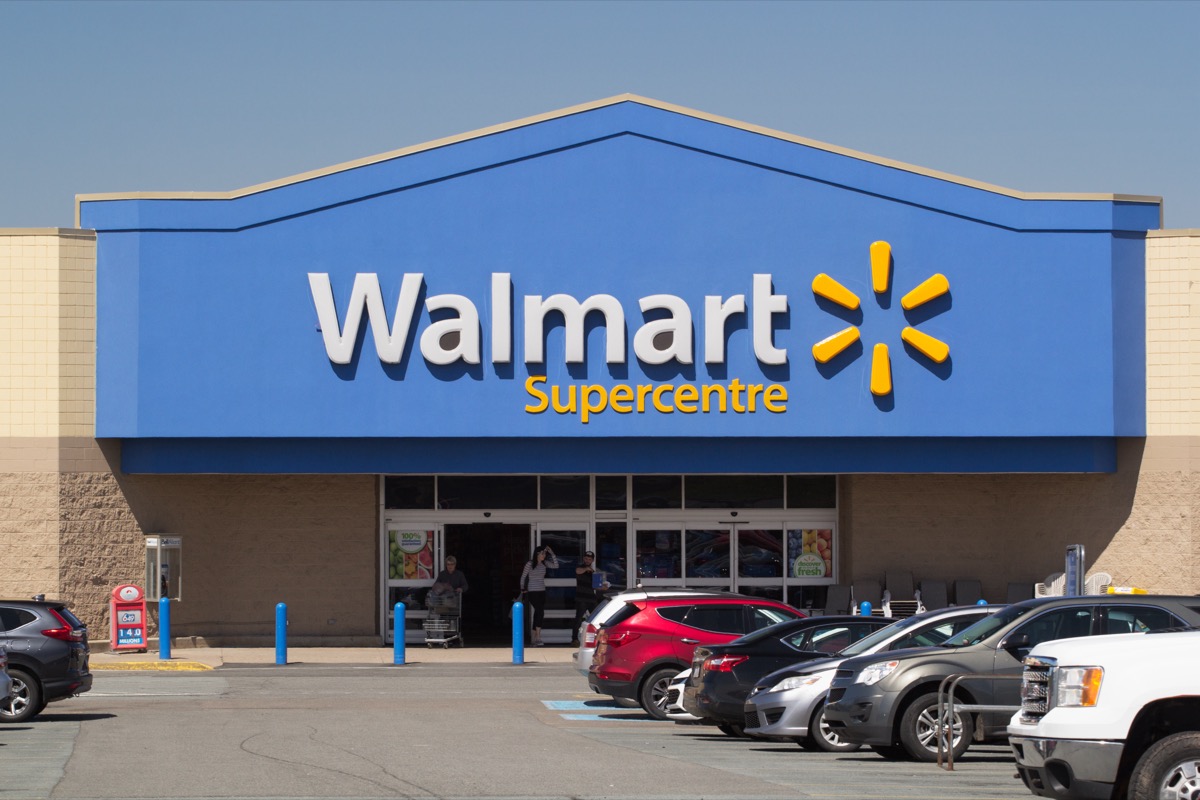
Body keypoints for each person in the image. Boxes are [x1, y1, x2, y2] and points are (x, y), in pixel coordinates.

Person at [518, 544, 558, 646]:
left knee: (538, 613)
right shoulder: (530, 564)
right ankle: (538, 638)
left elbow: (556, 566)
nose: (544, 555)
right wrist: (522, 588)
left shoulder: (544, 564)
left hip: (542, 591)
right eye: (542, 553)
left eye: (545, 553)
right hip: (532, 591)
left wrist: (552, 553)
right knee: (540, 611)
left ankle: (533, 637)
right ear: (537, 554)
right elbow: (523, 576)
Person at [572, 550, 608, 645]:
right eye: (586, 558)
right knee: (578, 619)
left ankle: (599, 639)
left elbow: (595, 585)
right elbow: (577, 571)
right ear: (584, 559)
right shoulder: (581, 568)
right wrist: (587, 569)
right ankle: (574, 639)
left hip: (591, 598)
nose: (587, 560)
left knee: (597, 618)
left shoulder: (593, 572)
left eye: (589, 559)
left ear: (592, 560)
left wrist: (603, 587)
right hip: (581, 598)